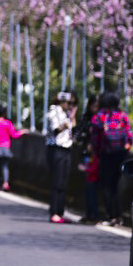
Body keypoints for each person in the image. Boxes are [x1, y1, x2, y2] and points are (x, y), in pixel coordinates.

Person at [89, 91, 132, 227]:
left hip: (106, 155)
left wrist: (96, 152)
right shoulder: (122, 116)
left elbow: (95, 138)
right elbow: (129, 136)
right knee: (116, 186)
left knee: (106, 186)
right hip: (120, 155)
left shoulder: (100, 117)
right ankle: (119, 216)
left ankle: (110, 215)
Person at [45, 90, 77, 223]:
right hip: (56, 149)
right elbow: (56, 130)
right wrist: (68, 120)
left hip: (66, 149)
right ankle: (54, 212)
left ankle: (60, 211)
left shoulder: (65, 113)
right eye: (69, 103)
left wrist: (72, 116)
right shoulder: (53, 112)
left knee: (63, 182)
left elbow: (73, 127)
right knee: (57, 181)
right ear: (62, 101)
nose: (70, 105)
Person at [74, 94, 101, 223]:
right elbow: (77, 135)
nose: (95, 109)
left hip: (98, 158)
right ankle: (90, 213)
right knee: (88, 186)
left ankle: (94, 214)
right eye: (93, 106)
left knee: (94, 187)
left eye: (97, 106)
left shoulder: (101, 120)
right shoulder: (87, 120)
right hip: (87, 157)